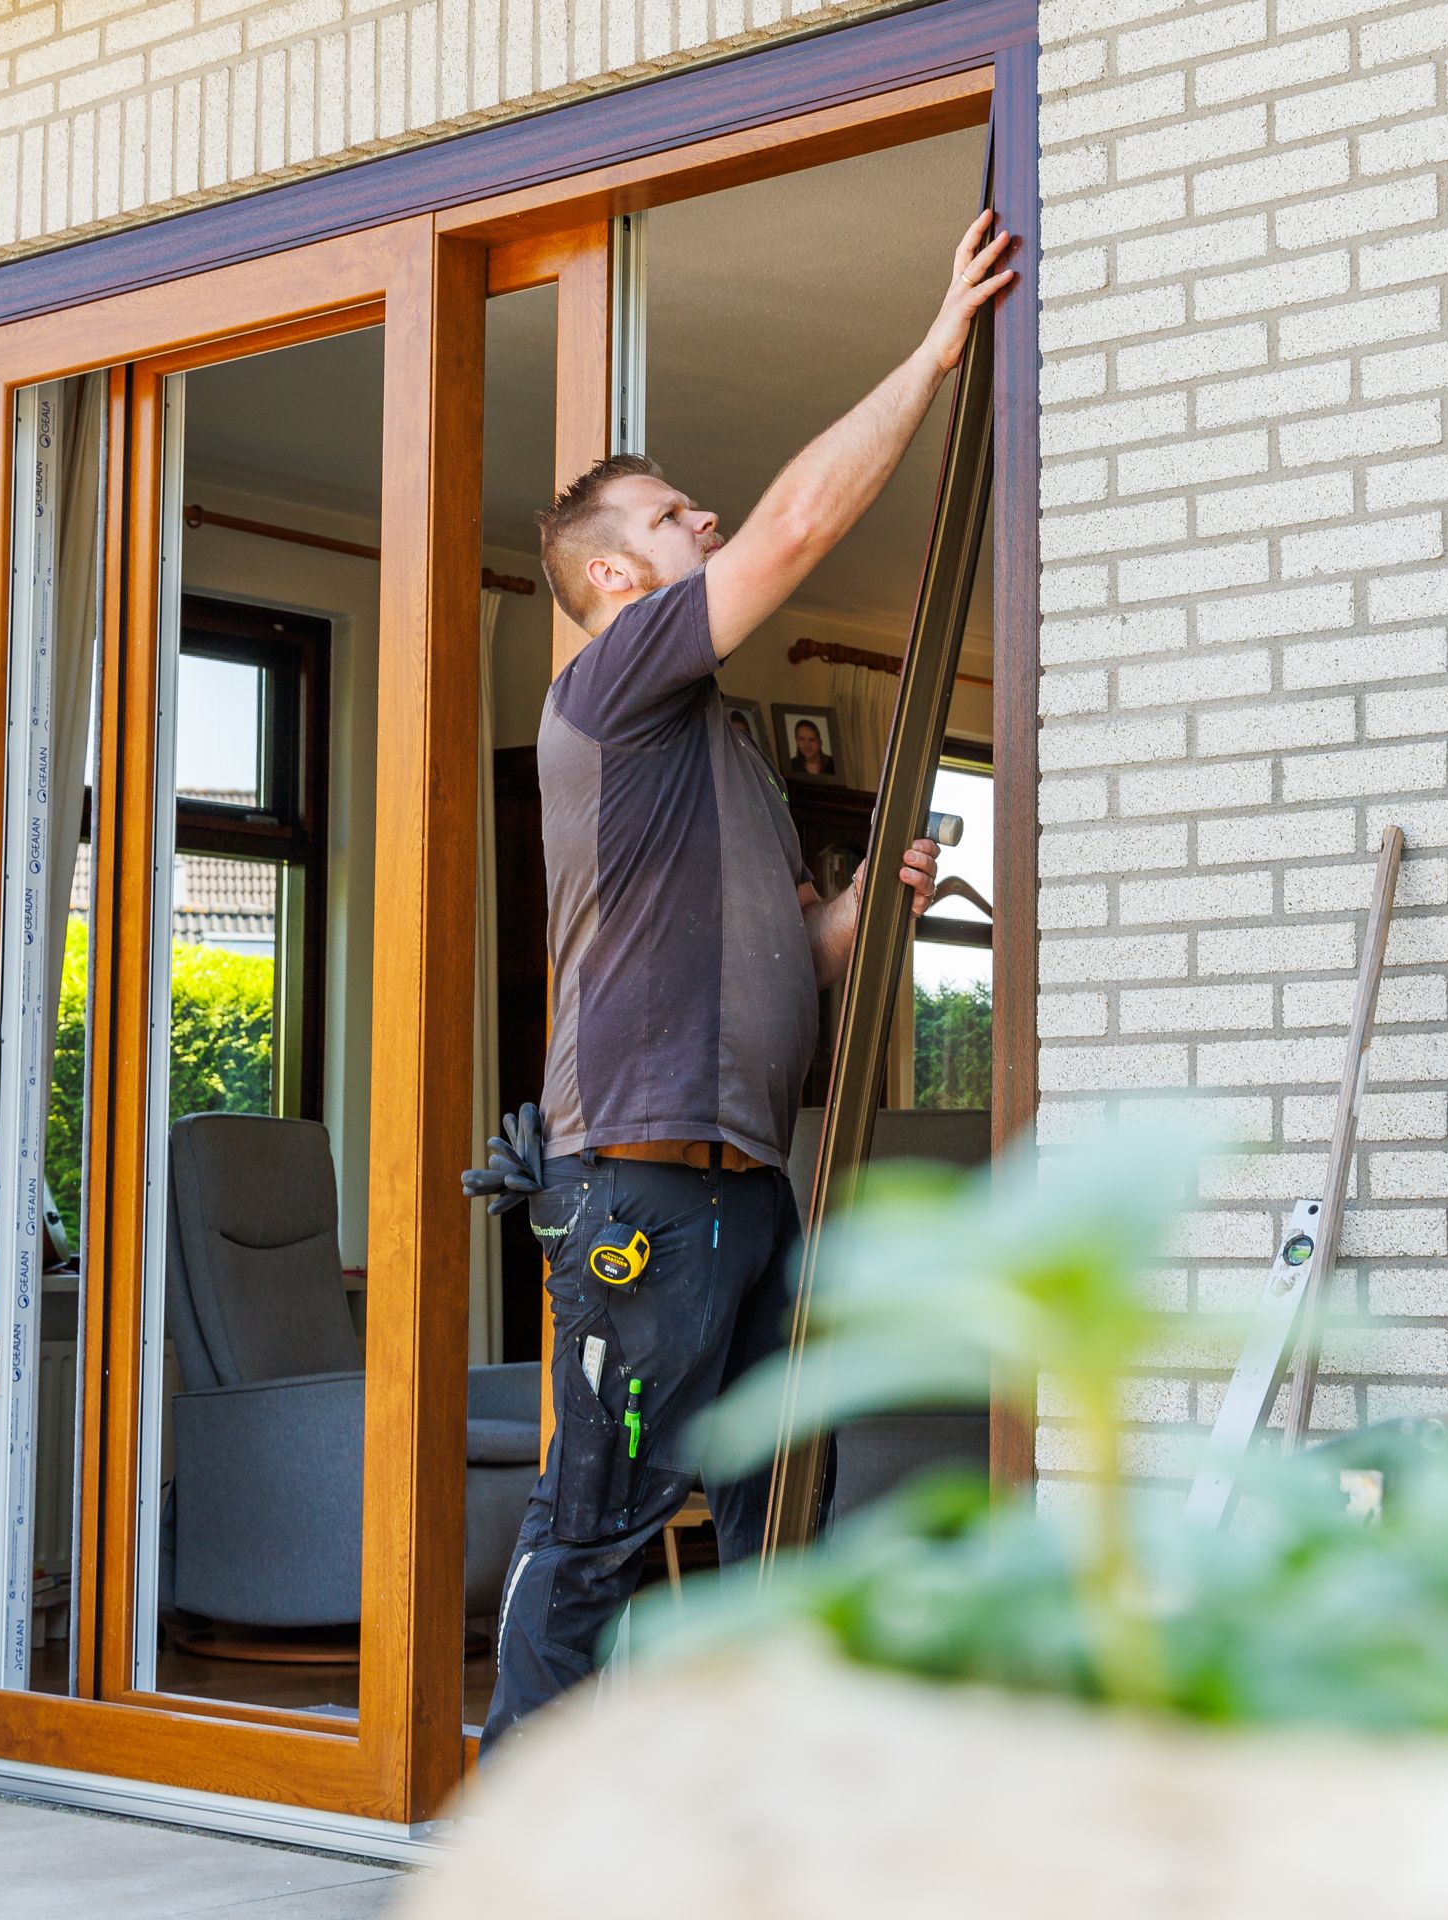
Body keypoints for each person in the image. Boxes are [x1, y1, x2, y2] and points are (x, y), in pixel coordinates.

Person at [479, 209, 1015, 1749]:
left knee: (779, 1510)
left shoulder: (714, 745)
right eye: (670, 517)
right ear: (602, 574)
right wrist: (933, 350)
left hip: (746, 1186)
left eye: (693, 510)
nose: (701, 525)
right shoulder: (613, 678)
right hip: (638, 1193)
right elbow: (793, 531)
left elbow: (803, 963)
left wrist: (861, 908)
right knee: (593, 1527)